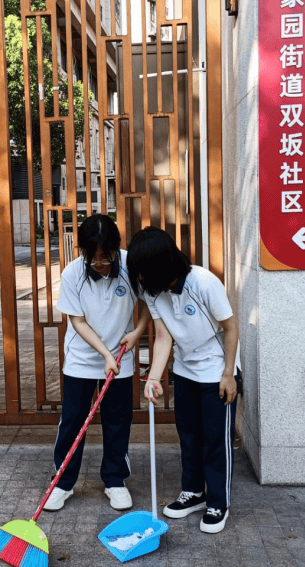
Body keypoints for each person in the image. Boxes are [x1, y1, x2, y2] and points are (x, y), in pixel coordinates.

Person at [126, 226, 239, 534]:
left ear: (163, 265)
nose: (142, 280)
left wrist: (229, 374)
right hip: (185, 370)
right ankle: (194, 493)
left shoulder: (203, 282)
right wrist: (153, 377)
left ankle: (218, 502)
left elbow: (231, 328)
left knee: (216, 441)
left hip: (216, 370)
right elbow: (163, 336)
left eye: (145, 272)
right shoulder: (153, 291)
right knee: (188, 437)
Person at [44, 214, 151, 512]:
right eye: (95, 258)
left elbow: (147, 304)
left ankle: (115, 480)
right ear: (83, 252)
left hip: (120, 359)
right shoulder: (72, 274)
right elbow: (77, 321)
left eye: (107, 256)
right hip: (82, 359)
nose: (101, 263)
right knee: (73, 421)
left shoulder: (131, 266)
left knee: (118, 422)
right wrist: (104, 354)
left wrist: (138, 331)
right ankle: (62, 483)